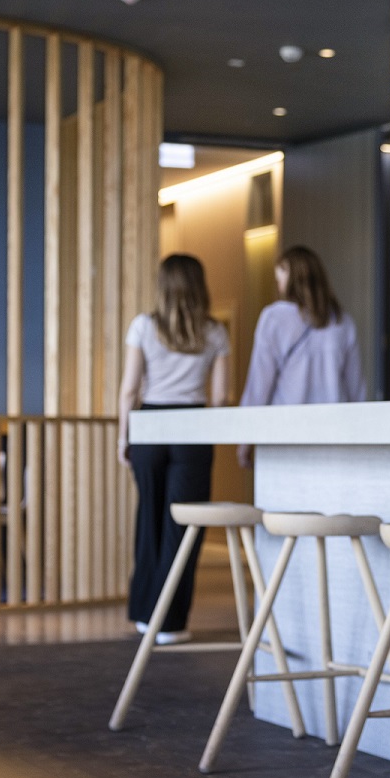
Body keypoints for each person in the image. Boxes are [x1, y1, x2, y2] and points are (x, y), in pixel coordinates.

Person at [117, 254, 229, 645]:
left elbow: (129, 389)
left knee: (149, 518)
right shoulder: (215, 332)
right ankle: (171, 623)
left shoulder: (143, 326)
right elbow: (220, 396)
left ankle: (146, 615)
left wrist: (124, 437)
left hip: (149, 427)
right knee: (184, 527)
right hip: (193, 429)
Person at [237, 245, 365, 467]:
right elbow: (357, 390)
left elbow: (259, 385)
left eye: (281, 274)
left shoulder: (274, 318)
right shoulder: (342, 322)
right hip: (334, 436)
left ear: (293, 276)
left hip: (285, 435)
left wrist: (245, 438)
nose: (277, 281)